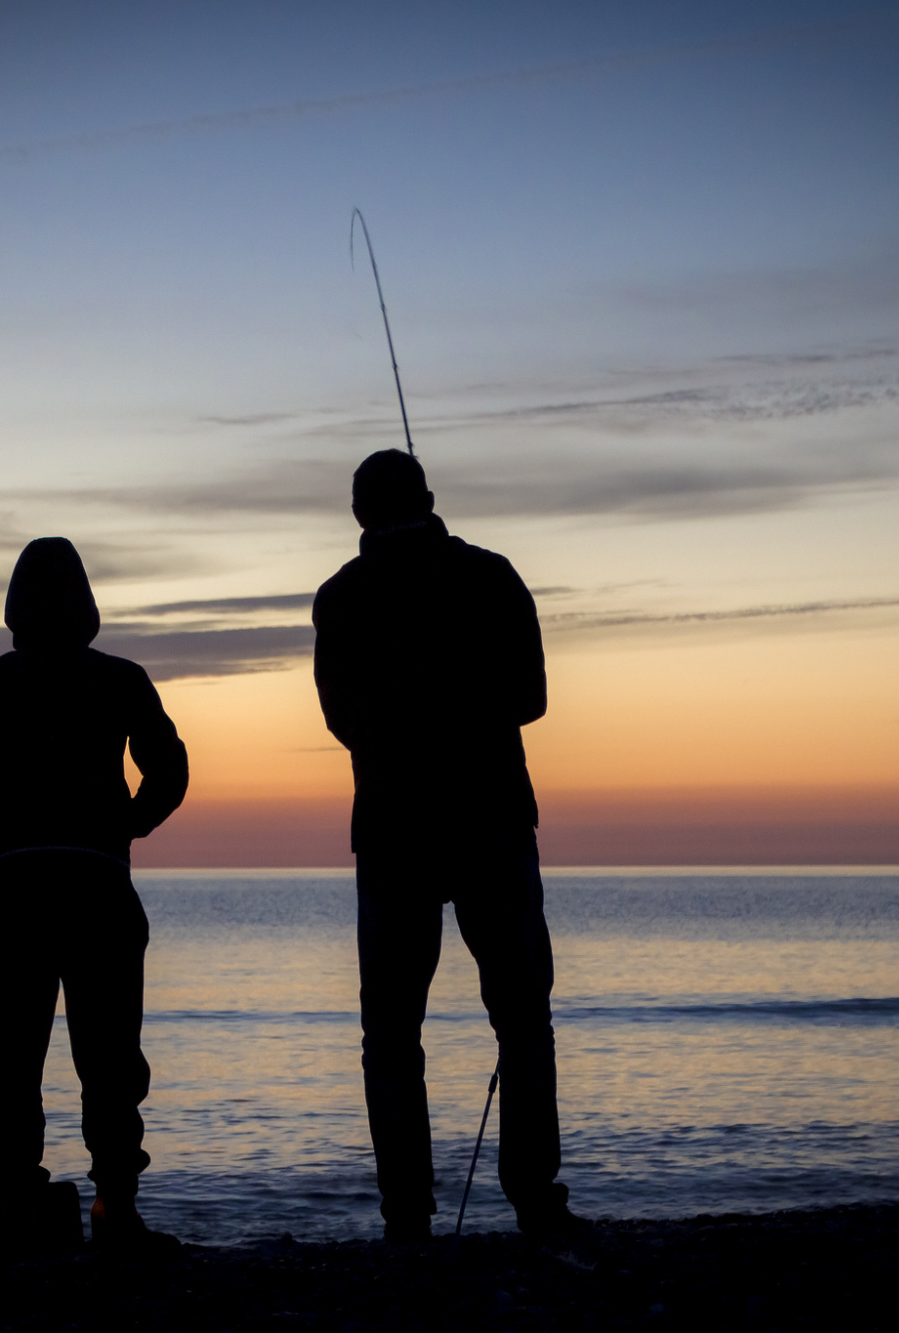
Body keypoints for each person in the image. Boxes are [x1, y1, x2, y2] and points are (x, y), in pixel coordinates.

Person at [312, 449, 582, 1243]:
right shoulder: (491, 575)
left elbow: (341, 718)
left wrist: (399, 725)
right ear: (430, 498)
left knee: (392, 1031)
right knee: (523, 1015)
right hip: (491, 818)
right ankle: (534, 1197)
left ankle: (408, 1213)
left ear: (359, 514)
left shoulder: (342, 596)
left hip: (395, 829)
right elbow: (530, 697)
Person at [0, 536, 189, 1257]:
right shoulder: (121, 679)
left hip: (13, 888)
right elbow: (169, 767)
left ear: (14, 607)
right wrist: (123, 827)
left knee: (11, 1057)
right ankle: (115, 1207)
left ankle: (17, 1203)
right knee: (110, 1058)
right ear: (87, 605)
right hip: (97, 883)